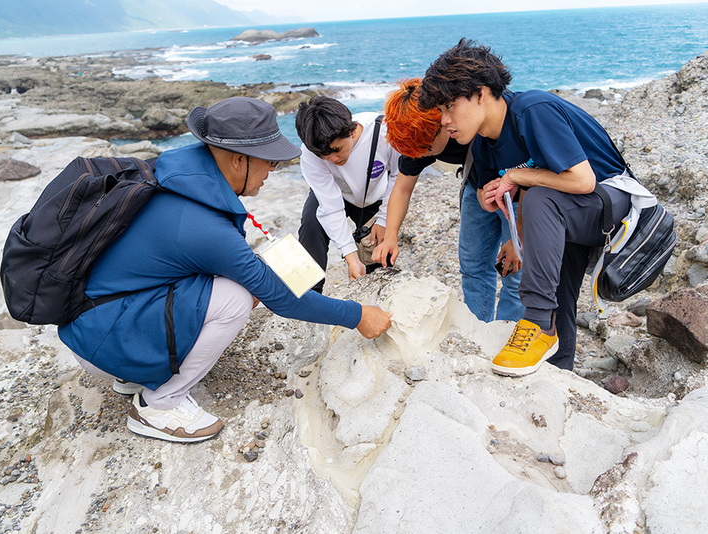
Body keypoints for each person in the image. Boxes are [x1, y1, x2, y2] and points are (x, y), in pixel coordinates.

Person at [58, 97, 393, 442]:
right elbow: (281, 299)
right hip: (102, 336)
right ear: (238, 160)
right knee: (236, 297)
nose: (273, 171)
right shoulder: (201, 223)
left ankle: (134, 371)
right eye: (268, 161)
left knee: (234, 281)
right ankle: (159, 403)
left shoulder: (178, 172)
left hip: (94, 319)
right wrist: (358, 315)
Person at [419, 39, 631, 377]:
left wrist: (517, 175)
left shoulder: (532, 110)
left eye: (448, 107)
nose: (443, 120)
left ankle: (535, 323)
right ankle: (559, 375)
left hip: (616, 206)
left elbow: (582, 181)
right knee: (559, 292)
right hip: (571, 213)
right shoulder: (485, 143)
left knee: (539, 199)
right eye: (440, 111)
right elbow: (510, 197)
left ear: (481, 93)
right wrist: (498, 213)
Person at [373, 78, 523, 323]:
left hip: (517, 193)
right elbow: (401, 189)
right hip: (476, 185)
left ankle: (508, 333)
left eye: (426, 149)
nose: (421, 156)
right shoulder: (419, 139)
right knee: (473, 267)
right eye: (415, 152)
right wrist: (390, 236)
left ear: (443, 123)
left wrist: (520, 232)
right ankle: (478, 331)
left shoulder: (475, 119)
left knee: (516, 272)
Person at [295, 96, 400, 292]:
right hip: (336, 193)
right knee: (310, 225)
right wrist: (350, 256)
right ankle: (309, 294)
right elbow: (331, 206)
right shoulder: (311, 151)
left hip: (374, 195)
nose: (332, 159)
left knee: (379, 259)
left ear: (351, 131)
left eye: (337, 149)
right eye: (324, 155)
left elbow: (398, 178)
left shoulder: (384, 131)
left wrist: (384, 219)